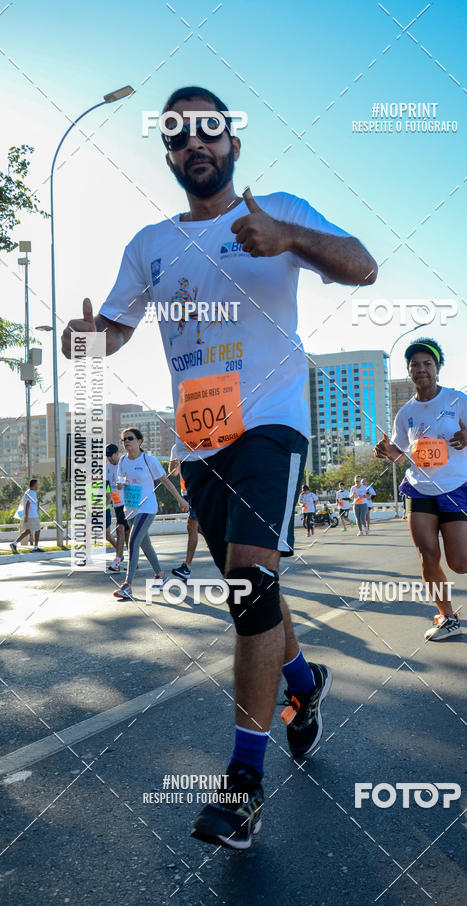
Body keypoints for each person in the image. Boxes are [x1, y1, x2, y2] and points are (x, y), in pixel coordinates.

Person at [61, 84, 377, 849]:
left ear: (233, 143)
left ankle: (243, 783)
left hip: (273, 423)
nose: (194, 143)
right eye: (177, 134)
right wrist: (80, 338)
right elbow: (112, 333)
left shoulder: (279, 208)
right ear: (168, 153)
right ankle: (304, 682)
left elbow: (363, 266)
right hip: (200, 439)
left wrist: (291, 239)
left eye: (208, 129)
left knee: (248, 577)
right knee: (251, 593)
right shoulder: (150, 245)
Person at [375, 338, 467, 641]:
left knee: (457, 561)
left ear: (437, 368)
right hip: (419, 488)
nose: (421, 369)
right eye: (415, 364)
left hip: (454, 487)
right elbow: (401, 452)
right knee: (428, 555)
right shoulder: (405, 413)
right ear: (409, 370)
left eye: (428, 363)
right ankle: (448, 617)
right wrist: (389, 452)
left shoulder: (457, 400)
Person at [113, 428, 188, 600]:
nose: (126, 442)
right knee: (144, 545)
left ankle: (127, 585)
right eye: (124, 439)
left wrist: (180, 500)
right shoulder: (123, 461)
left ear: (140, 441)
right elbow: (120, 480)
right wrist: (119, 485)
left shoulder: (149, 460)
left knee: (133, 541)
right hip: (130, 508)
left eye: (130, 438)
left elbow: (166, 481)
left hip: (147, 507)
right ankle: (161, 576)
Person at [169, 443, 203, 580]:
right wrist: (174, 465)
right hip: (186, 491)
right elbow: (174, 473)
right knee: (200, 528)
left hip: (198, 489)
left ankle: (186, 567)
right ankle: (226, 553)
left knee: (191, 526)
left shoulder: (202, 442)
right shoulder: (176, 447)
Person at [105, 443, 130, 571]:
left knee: (120, 529)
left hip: (128, 501)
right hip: (117, 502)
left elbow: (133, 480)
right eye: (107, 456)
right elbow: (107, 485)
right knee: (126, 532)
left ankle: (118, 560)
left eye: (111, 456)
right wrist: (107, 499)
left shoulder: (125, 463)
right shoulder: (107, 466)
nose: (110, 459)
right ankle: (132, 559)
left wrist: (124, 484)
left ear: (117, 453)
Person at [10, 479, 43, 553]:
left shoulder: (27, 492)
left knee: (28, 531)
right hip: (32, 515)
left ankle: (14, 544)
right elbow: (28, 504)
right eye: (37, 484)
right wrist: (26, 516)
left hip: (29, 515)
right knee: (37, 530)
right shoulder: (32, 493)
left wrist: (25, 515)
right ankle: (36, 548)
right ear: (34, 485)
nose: (38, 486)